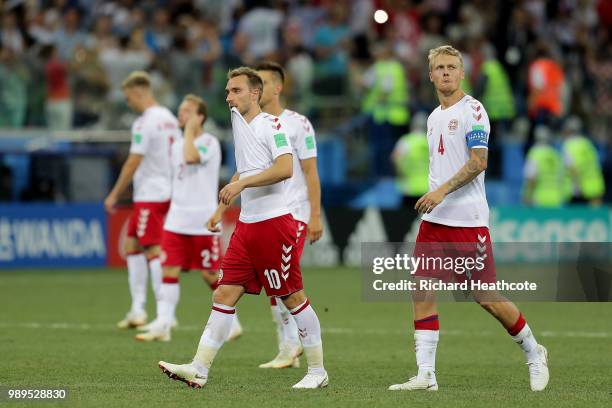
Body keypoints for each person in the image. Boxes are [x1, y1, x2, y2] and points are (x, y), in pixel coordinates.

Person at [388, 46, 549, 392]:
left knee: (486, 298)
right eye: (439, 68)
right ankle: (426, 374)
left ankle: (535, 352)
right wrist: (438, 196)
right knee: (421, 289)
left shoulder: (474, 110)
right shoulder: (432, 118)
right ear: (430, 75)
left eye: (452, 67)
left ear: (462, 74)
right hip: (435, 221)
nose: (446, 73)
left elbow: (478, 162)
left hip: (467, 222)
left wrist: (441, 192)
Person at [158, 67, 328, 389]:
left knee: (292, 297)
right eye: (226, 91)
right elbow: (244, 171)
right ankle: (199, 368)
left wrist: (242, 185)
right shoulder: (239, 122)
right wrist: (221, 208)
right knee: (224, 293)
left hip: (274, 225)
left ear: (255, 93)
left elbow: (285, 168)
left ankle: (317, 371)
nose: (228, 97)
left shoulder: (272, 126)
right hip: (247, 226)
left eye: (235, 90)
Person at [135, 94, 242, 342]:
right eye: (180, 111)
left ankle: (233, 322)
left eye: (188, 112)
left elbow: (192, 157)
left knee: (210, 275)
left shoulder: (208, 143)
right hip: (176, 220)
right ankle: (163, 324)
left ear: (200, 117)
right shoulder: (175, 146)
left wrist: (191, 133)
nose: (181, 115)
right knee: (168, 269)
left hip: (203, 222)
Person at [255, 61, 323, 369]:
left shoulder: (298, 123)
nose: (258, 90)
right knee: (273, 280)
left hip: (293, 212)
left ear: (278, 87)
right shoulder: (253, 124)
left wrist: (315, 216)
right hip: (265, 214)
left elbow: (310, 172)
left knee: (283, 280)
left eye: (263, 84)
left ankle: (293, 345)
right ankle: (287, 348)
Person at [104, 71, 179, 330]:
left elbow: (134, 160)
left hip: (151, 193)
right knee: (132, 244)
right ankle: (137, 309)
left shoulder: (144, 122)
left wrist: (114, 194)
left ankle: (163, 314)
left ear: (139, 93)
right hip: (165, 190)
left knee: (153, 249)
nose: (128, 103)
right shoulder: (169, 118)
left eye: (128, 98)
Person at [561, 116, 605, 206]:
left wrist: (577, 186)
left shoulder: (569, 145)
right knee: (595, 218)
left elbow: (571, 167)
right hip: (595, 186)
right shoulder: (588, 144)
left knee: (578, 218)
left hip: (578, 190)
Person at [391, 112, 429, 209]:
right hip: (428, 188)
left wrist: (400, 174)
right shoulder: (430, 141)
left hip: (408, 187)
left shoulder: (405, 141)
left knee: (407, 219)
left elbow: (395, 159)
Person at [523, 126, 565, 207]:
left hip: (539, 199)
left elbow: (531, 178)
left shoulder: (535, 153)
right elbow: (561, 176)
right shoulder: (555, 154)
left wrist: (527, 196)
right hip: (557, 198)